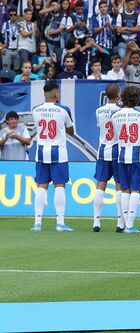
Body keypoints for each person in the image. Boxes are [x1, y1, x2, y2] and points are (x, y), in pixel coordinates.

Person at [30, 82, 75, 232]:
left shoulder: (35, 110)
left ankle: (37, 223)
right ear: (56, 94)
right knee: (59, 185)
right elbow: (71, 131)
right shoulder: (63, 109)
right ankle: (60, 222)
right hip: (58, 152)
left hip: (41, 150)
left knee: (41, 186)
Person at [113, 86, 140, 233]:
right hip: (137, 155)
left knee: (124, 189)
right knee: (136, 189)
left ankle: (124, 223)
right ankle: (130, 225)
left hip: (122, 155)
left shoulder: (115, 116)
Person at [92, 83, 122, 232]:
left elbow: (101, 127)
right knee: (119, 185)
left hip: (103, 149)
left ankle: (96, 222)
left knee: (100, 185)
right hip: (117, 149)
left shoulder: (99, 111)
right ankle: (120, 222)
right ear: (118, 95)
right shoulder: (121, 111)